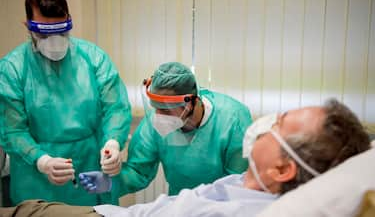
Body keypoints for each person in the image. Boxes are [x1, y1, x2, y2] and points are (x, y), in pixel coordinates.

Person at [0, 98, 370, 217]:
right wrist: (101, 174)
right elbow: (134, 176)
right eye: (153, 105)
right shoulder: (158, 125)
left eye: (281, 123)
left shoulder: (231, 121)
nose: (267, 123)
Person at [0, 0, 132, 206]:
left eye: (61, 31)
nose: (54, 41)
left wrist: (113, 143)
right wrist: (41, 160)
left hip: (90, 164)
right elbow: (12, 130)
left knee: (96, 211)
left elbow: (115, 108)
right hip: (35, 178)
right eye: (44, 33)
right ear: (28, 26)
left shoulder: (93, 58)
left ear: (69, 21)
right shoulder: (13, 69)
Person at [113, 61, 252, 197]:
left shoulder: (233, 121)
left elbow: (237, 185)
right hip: (180, 205)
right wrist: (109, 183)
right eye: (155, 108)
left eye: (166, 110)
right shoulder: (153, 123)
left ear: (190, 104)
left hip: (222, 207)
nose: (159, 116)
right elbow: (138, 171)